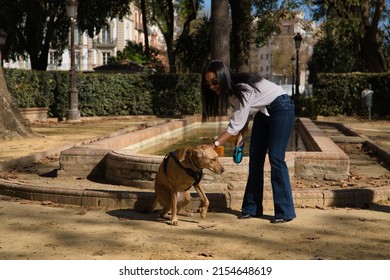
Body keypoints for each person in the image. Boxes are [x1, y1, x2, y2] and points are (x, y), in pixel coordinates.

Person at [201, 60, 296, 223]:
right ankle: (252, 209)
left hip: (281, 108)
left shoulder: (241, 88)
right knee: (255, 160)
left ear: (223, 77)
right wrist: (241, 136)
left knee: (276, 158)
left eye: (214, 82)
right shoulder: (232, 92)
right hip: (263, 113)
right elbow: (246, 113)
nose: (211, 87)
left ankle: (285, 212)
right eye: (208, 84)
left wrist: (213, 145)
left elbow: (234, 124)